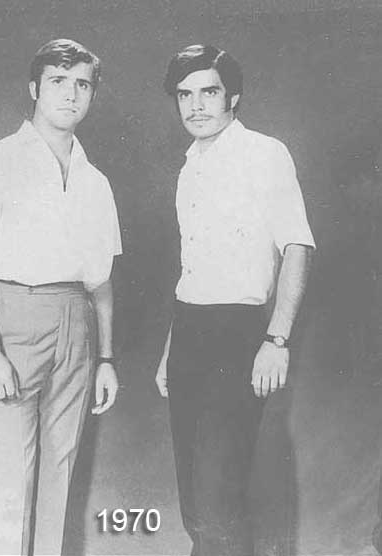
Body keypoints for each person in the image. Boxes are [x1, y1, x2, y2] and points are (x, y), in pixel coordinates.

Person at [0, 39, 122, 556]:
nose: (71, 94)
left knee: (59, 474)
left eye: (82, 84)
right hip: (13, 320)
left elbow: (102, 282)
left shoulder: (96, 182)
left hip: (77, 324)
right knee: (8, 482)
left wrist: (106, 358)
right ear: (34, 89)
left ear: (92, 94)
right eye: (58, 82)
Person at [155, 44, 315, 556]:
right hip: (188, 334)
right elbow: (193, 270)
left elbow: (297, 247)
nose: (196, 105)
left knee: (217, 495)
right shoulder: (188, 168)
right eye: (185, 95)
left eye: (209, 92)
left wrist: (276, 339)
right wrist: (170, 348)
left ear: (234, 97)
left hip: (239, 334)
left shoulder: (265, 154)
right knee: (194, 504)